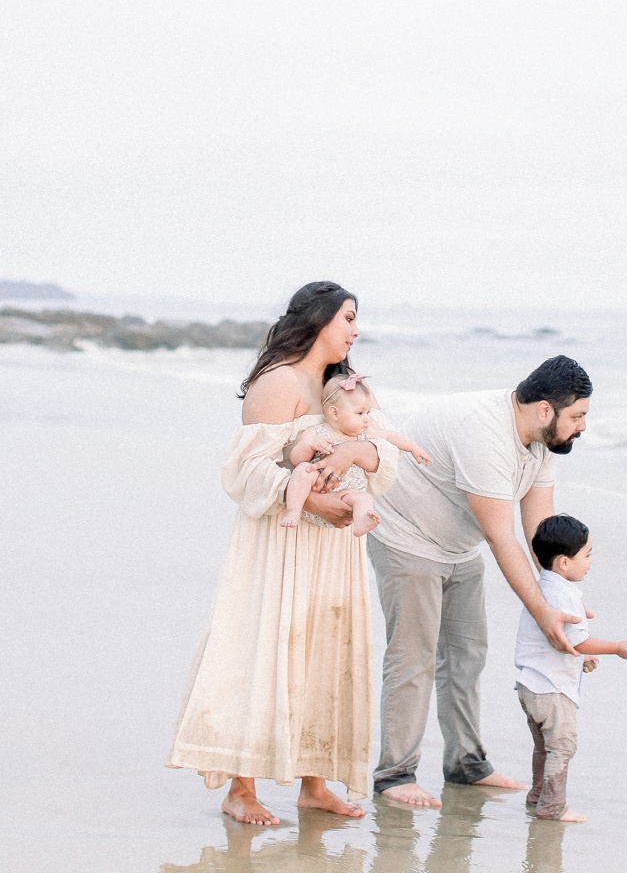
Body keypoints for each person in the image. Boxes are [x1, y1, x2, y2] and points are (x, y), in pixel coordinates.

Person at [166, 281, 400, 826]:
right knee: (265, 652)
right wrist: (317, 503)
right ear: (319, 320)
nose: (355, 330)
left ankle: (314, 786)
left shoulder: (340, 386)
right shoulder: (278, 382)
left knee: (325, 654)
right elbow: (246, 473)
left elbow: (382, 452)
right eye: (348, 318)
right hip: (282, 542)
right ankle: (240, 789)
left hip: (335, 550)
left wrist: (361, 450)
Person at [367, 354, 594, 808]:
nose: (582, 427)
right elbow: (500, 535)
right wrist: (541, 613)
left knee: (468, 653)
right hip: (407, 537)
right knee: (414, 657)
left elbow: (539, 531)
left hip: (457, 546)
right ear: (545, 409)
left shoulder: (541, 442)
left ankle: (466, 765)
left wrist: (561, 605)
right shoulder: (484, 431)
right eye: (578, 416)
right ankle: (395, 775)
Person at [514, 513, 627, 823]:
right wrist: (616, 648)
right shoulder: (564, 595)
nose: (591, 561)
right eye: (587, 554)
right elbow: (579, 642)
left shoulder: (542, 587)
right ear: (564, 563)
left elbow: (561, 642)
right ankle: (552, 807)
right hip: (552, 689)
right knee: (563, 746)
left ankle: (537, 795)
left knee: (544, 746)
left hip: (530, 685)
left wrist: (580, 658)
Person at [281, 372, 430, 536]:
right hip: (317, 487)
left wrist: (414, 448)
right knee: (303, 470)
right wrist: (310, 445)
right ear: (335, 413)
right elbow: (296, 459)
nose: (366, 419)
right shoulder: (316, 432)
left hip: (347, 496)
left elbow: (391, 436)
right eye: (360, 413)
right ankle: (293, 511)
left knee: (365, 499)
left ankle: (361, 521)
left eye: (368, 413)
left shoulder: (364, 434)